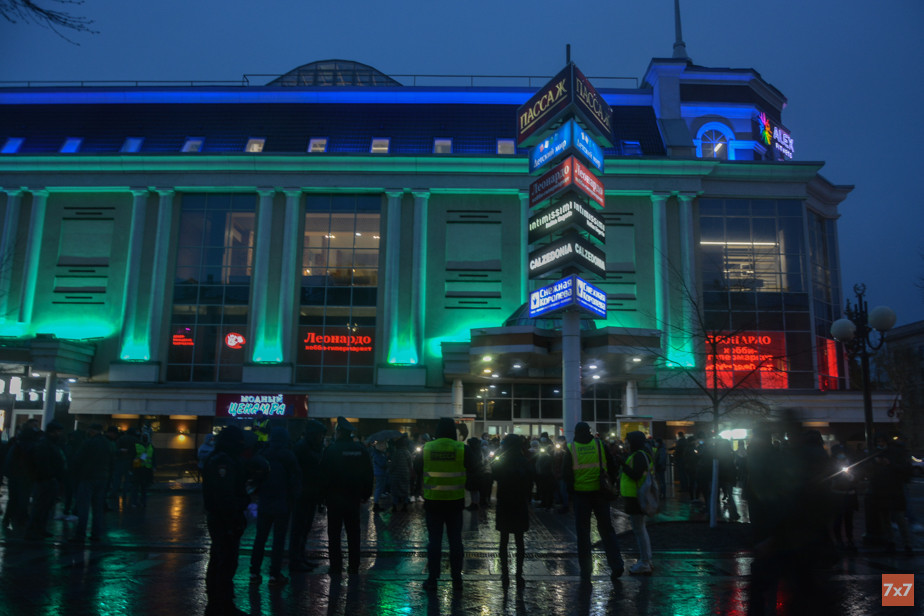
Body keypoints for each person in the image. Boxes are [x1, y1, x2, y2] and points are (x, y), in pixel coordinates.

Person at [562, 421, 624, 585]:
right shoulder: (599, 445)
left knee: (583, 534)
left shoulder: (571, 448)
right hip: (600, 494)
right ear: (589, 431)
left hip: (581, 495)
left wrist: (571, 494)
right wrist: (610, 482)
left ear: (576, 432)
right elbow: (612, 465)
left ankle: (586, 570)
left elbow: (566, 474)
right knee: (607, 530)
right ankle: (616, 565)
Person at [417, 417, 474, 589]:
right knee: (455, 540)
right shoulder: (462, 449)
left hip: (433, 502)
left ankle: (432, 578)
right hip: (455, 502)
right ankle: (457, 578)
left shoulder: (427, 448)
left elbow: (417, 468)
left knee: (434, 541)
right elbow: (474, 468)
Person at [202, 425, 250, 616]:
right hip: (224, 518)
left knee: (221, 559)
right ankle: (220, 605)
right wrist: (238, 508)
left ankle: (220, 603)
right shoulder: (224, 461)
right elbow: (225, 495)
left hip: (222, 516)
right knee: (224, 561)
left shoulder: (220, 458)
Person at [319, 416, 373, 577]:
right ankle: (354, 566)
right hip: (353, 498)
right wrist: (366, 494)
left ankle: (336, 566)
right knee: (354, 533)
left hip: (334, 498)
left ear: (339, 432)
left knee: (334, 534)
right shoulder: (360, 450)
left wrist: (322, 497)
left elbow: (323, 475)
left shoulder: (331, 450)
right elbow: (368, 473)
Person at [249, 427, 300, 586]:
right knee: (279, 540)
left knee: (260, 538)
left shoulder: (263, 454)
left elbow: (255, 478)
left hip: (265, 501)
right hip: (282, 503)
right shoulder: (288, 455)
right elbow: (295, 479)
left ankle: (254, 572)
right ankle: (274, 574)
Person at [491, 434, 532, 589]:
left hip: (504, 502)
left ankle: (505, 572)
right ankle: (519, 573)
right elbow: (530, 481)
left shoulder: (502, 460)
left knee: (504, 540)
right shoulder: (524, 461)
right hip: (519, 503)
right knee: (519, 540)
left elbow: (494, 475)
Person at [290, 420, 327, 572]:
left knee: (305, 528)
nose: (321, 438)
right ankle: (296, 560)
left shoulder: (313, 447)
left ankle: (301, 557)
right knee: (299, 529)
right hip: (302, 494)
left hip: (310, 493)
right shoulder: (302, 448)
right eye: (320, 435)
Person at [70, 423, 113, 543]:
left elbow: (79, 459)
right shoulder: (107, 443)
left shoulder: (89, 443)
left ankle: (80, 534)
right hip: (102, 477)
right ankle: (96, 533)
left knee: (83, 507)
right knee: (97, 508)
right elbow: (112, 461)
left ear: (92, 431)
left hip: (88, 477)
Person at [620, 431, 654, 575]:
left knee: (639, 530)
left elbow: (635, 475)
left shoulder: (639, 455)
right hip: (635, 496)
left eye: (628, 441)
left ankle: (645, 562)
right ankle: (647, 560)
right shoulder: (640, 454)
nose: (626, 444)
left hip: (636, 497)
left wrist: (623, 464)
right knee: (641, 529)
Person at [25, 421, 67, 541]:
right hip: (45, 479)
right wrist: (50, 475)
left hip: (48, 479)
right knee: (40, 506)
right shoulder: (45, 445)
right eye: (58, 432)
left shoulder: (49, 444)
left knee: (45, 507)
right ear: (52, 432)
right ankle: (34, 530)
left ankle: (39, 529)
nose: (60, 434)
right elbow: (43, 463)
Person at [2, 419, 41, 533]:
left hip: (15, 476)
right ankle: (20, 519)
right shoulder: (33, 446)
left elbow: (8, 461)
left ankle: (8, 518)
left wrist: (8, 474)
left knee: (13, 498)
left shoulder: (16, 445)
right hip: (26, 477)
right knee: (23, 498)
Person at [389, 435, 413, 512]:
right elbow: (410, 464)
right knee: (405, 490)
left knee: (395, 491)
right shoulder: (407, 453)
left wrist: (390, 471)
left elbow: (393, 465)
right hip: (405, 474)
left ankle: (394, 506)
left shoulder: (396, 453)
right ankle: (405, 506)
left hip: (396, 475)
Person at [131, 432, 155, 508]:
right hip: (138, 469)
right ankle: (135, 502)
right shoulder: (137, 445)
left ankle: (142, 502)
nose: (145, 438)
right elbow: (133, 456)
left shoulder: (151, 446)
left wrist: (154, 466)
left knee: (143, 487)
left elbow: (153, 457)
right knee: (137, 487)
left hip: (146, 469)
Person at [371, 440, 390, 512]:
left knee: (379, 488)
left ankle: (376, 504)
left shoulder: (379, 453)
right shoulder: (378, 454)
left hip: (380, 473)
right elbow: (382, 464)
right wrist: (387, 462)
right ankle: (376, 504)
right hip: (380, 473)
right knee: (378, 489)